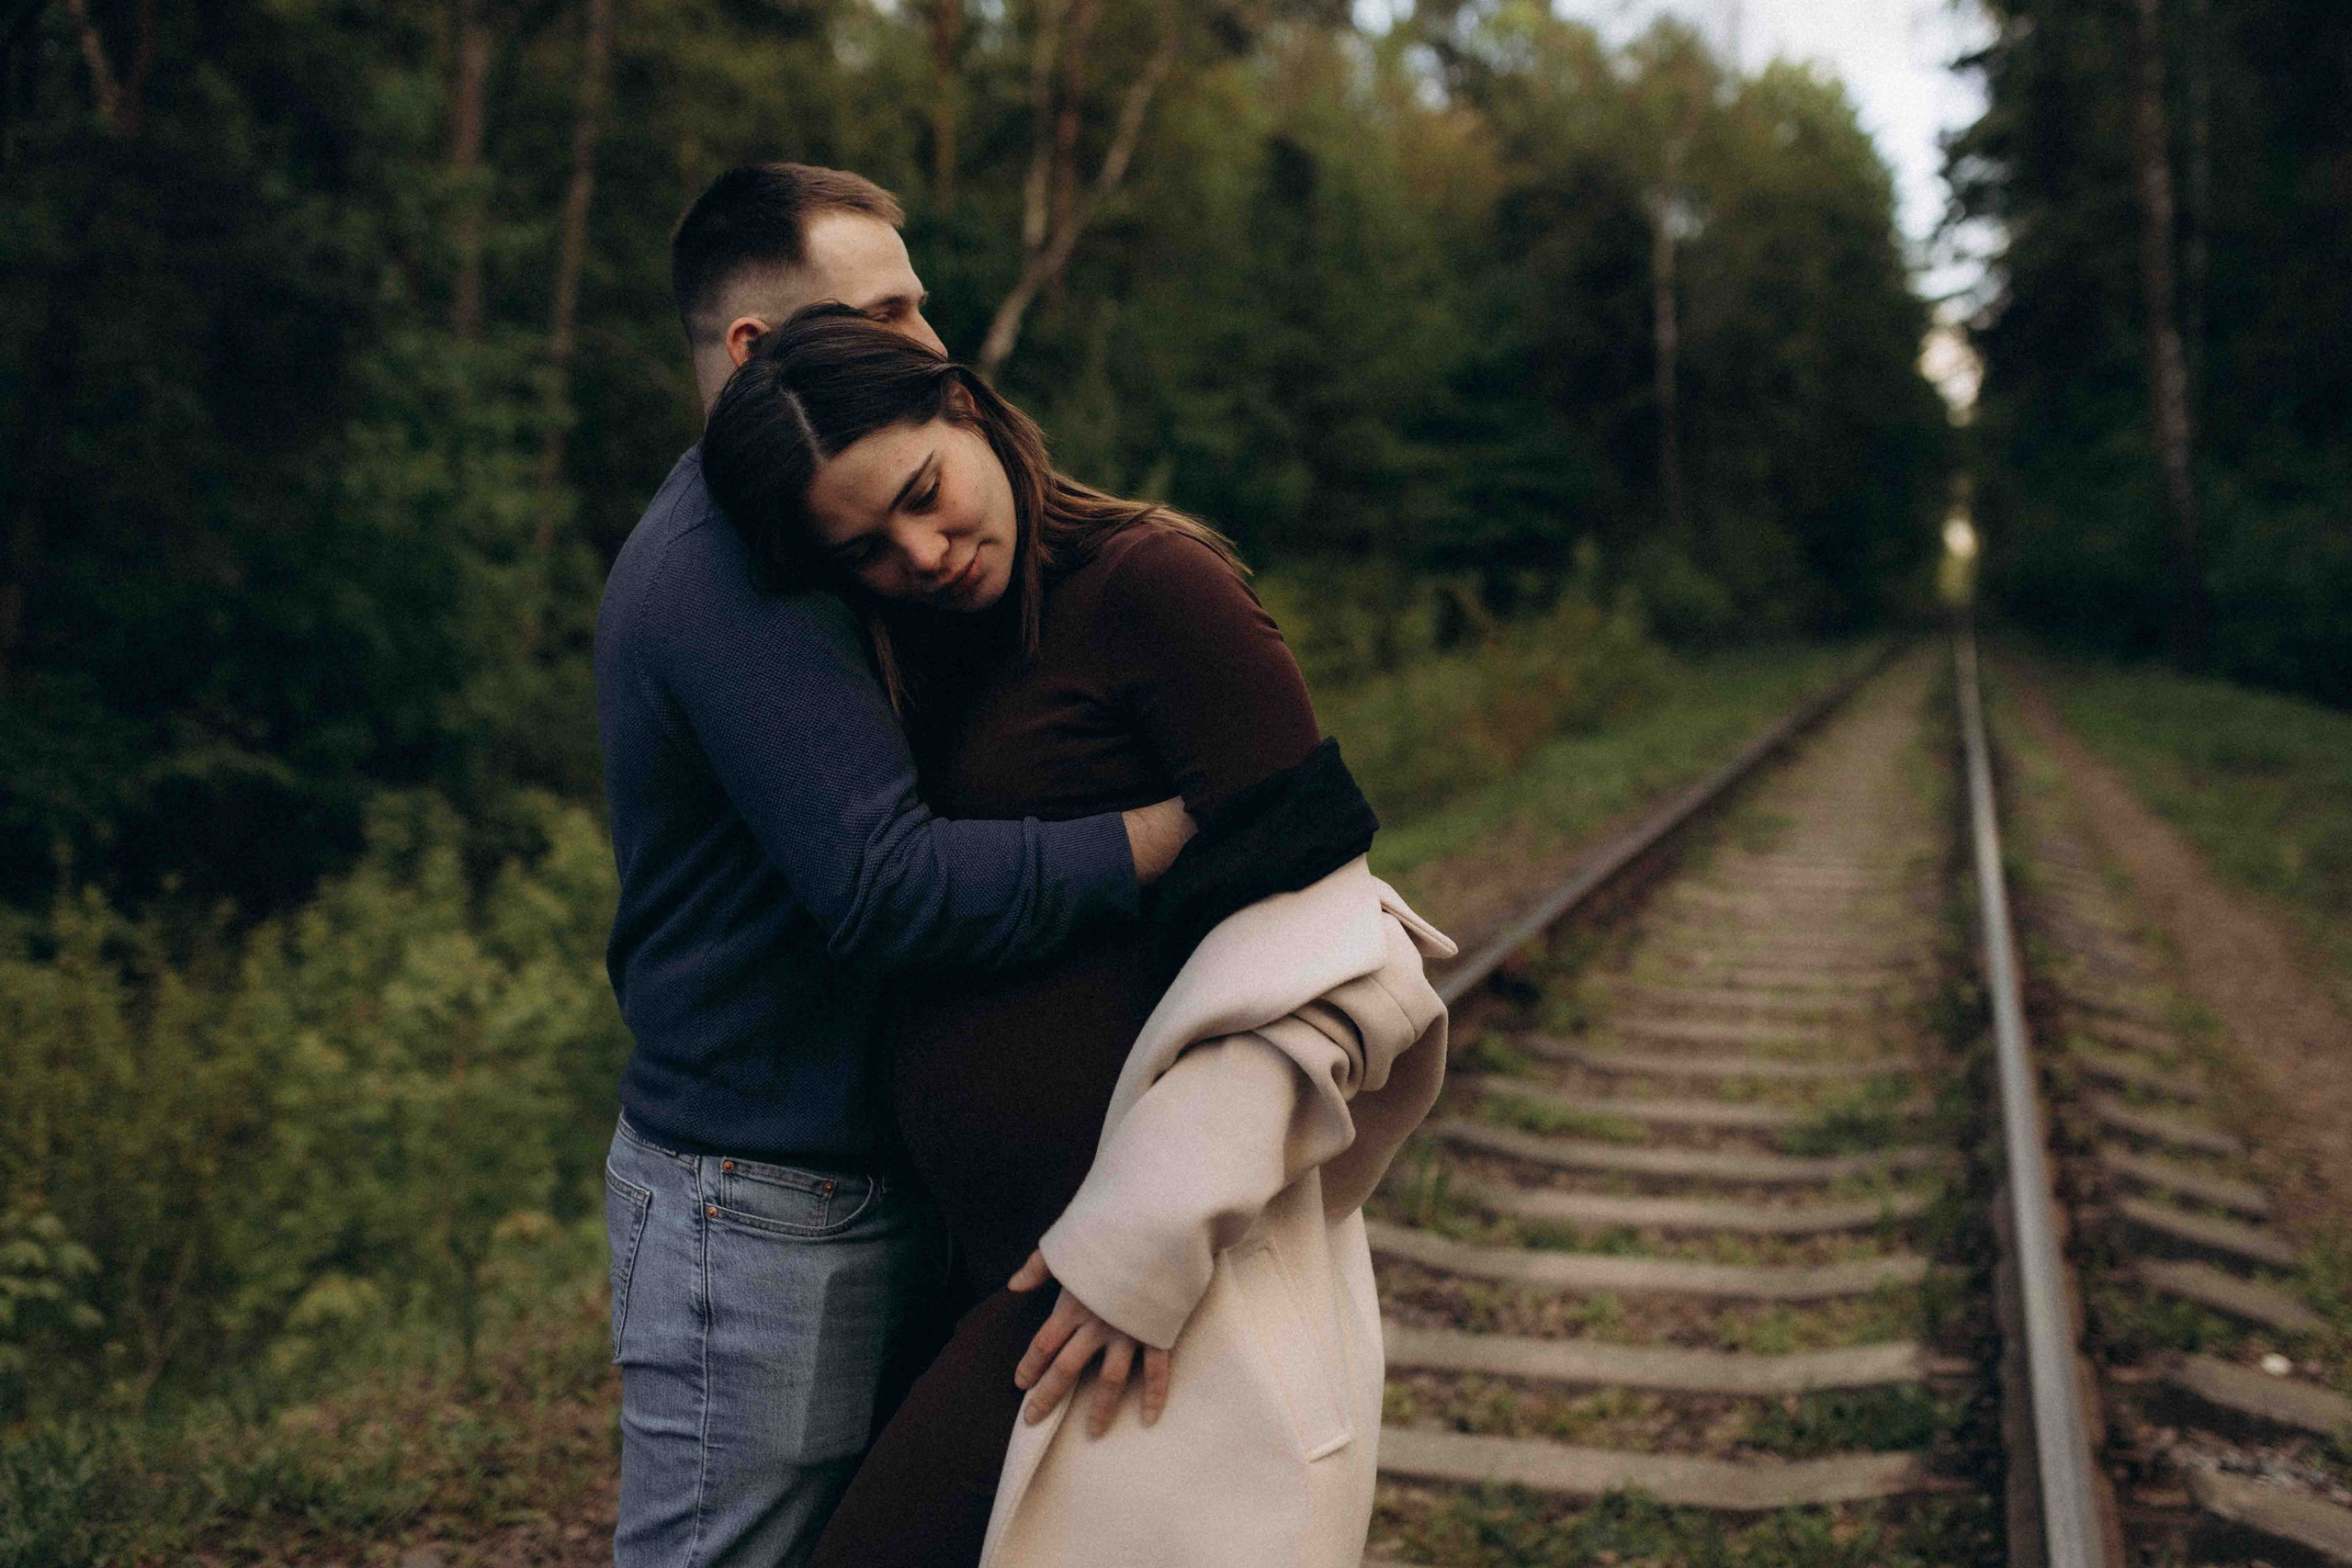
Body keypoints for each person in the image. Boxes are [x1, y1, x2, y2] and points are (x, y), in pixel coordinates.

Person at [699, 306, 1452, 1568]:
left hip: (1114, 1269)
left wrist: (1142, 1240)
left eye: (926, 495)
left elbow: (1331, 952)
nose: (925, 551)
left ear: (966, 407)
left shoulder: (1154, 588)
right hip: (989, 1261)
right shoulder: (915, 648)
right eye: (870, 548)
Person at [594, 164, 1193, 1568]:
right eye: (885, 308)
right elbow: (889, 886)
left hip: (859, 1183)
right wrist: (1171, 836)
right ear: (758, 354)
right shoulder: (720, 574)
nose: (929, 342)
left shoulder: (823, 539)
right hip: (759, 1204)